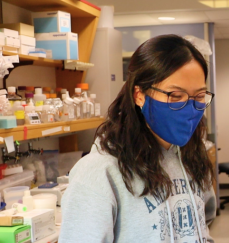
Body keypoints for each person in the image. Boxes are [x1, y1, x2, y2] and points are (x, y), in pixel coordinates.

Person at [60, 35, 217, 243]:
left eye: (198, 96)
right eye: (175, 96)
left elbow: (202, 226)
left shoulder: (191, 154)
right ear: (139, 95)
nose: (189, 109)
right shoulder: (99, 172)